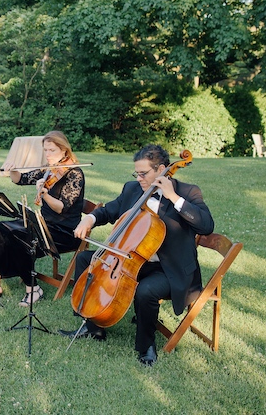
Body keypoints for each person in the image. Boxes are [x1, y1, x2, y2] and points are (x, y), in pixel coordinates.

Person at [58, 144, 215, 366]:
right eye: (137, 173)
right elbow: (109, 210)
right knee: (86, 260)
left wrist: (173, 197)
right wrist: (89, 218)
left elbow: (206, 225)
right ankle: (94, 327)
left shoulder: (188, 192)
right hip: (134, 261)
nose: (139, 178)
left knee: (146, 290)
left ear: (161, 169)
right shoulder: (132, 189)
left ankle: (146, 345)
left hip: (170, 269)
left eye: (144, 173)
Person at [0, 131, 85, 306]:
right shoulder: (48, 169)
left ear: (64, 151)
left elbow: (61, 207)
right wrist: (12, 170)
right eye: (45, 150)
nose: (48, 154)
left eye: (52, 150)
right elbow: (21, 179)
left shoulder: (75, 174)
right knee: (2, 227)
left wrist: (44, 194)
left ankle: (34, 289)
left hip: (64, 232)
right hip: (44, 225)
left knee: (20, 237)